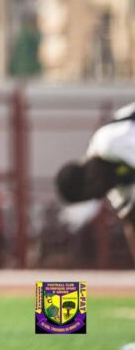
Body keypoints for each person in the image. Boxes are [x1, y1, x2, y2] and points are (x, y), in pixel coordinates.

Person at [56, 102, 135, 262]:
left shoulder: (108, 143)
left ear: (88, 179)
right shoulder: (114, 187)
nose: (98, 197)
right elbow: (131, 220)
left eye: (91, 193)